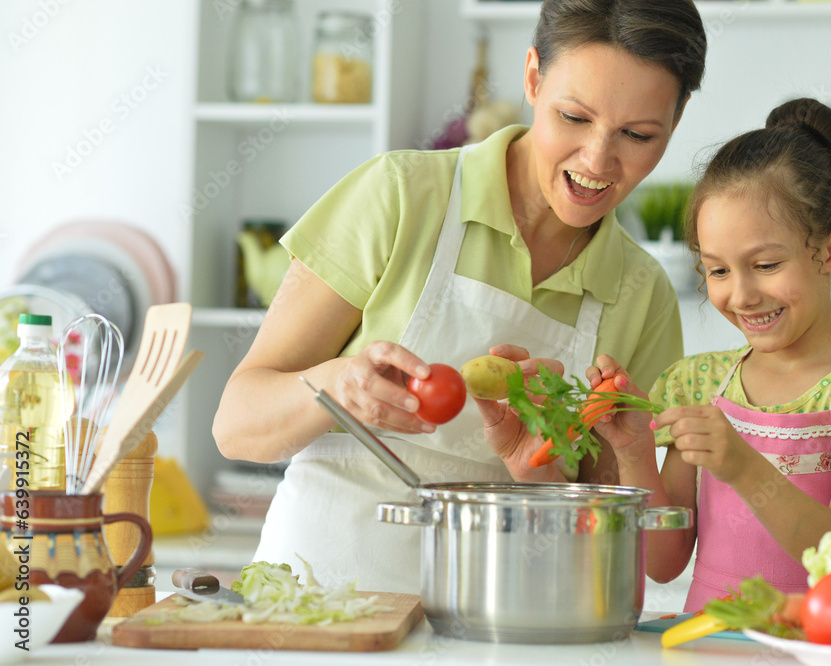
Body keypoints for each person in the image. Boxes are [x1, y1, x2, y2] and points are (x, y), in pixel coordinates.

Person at [212, 0, 708, 594]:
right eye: (574, 117)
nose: (598, 159)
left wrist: (537, 471)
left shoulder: (641, 293)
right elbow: (236, 423)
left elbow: (620, 548)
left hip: (500, 626)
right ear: (532, 77)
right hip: (315, 606)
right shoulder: (400, 195)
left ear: (673, 124)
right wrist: (338, 385)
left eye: (636, 134)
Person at [583, 98, 831, 612]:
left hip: (818, 648)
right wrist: (634, 452)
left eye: (766, 264)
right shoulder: (699, 384)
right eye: (718, 271)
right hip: (708, 643)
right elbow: (664, 562)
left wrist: (745, 468)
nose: (741, 295)